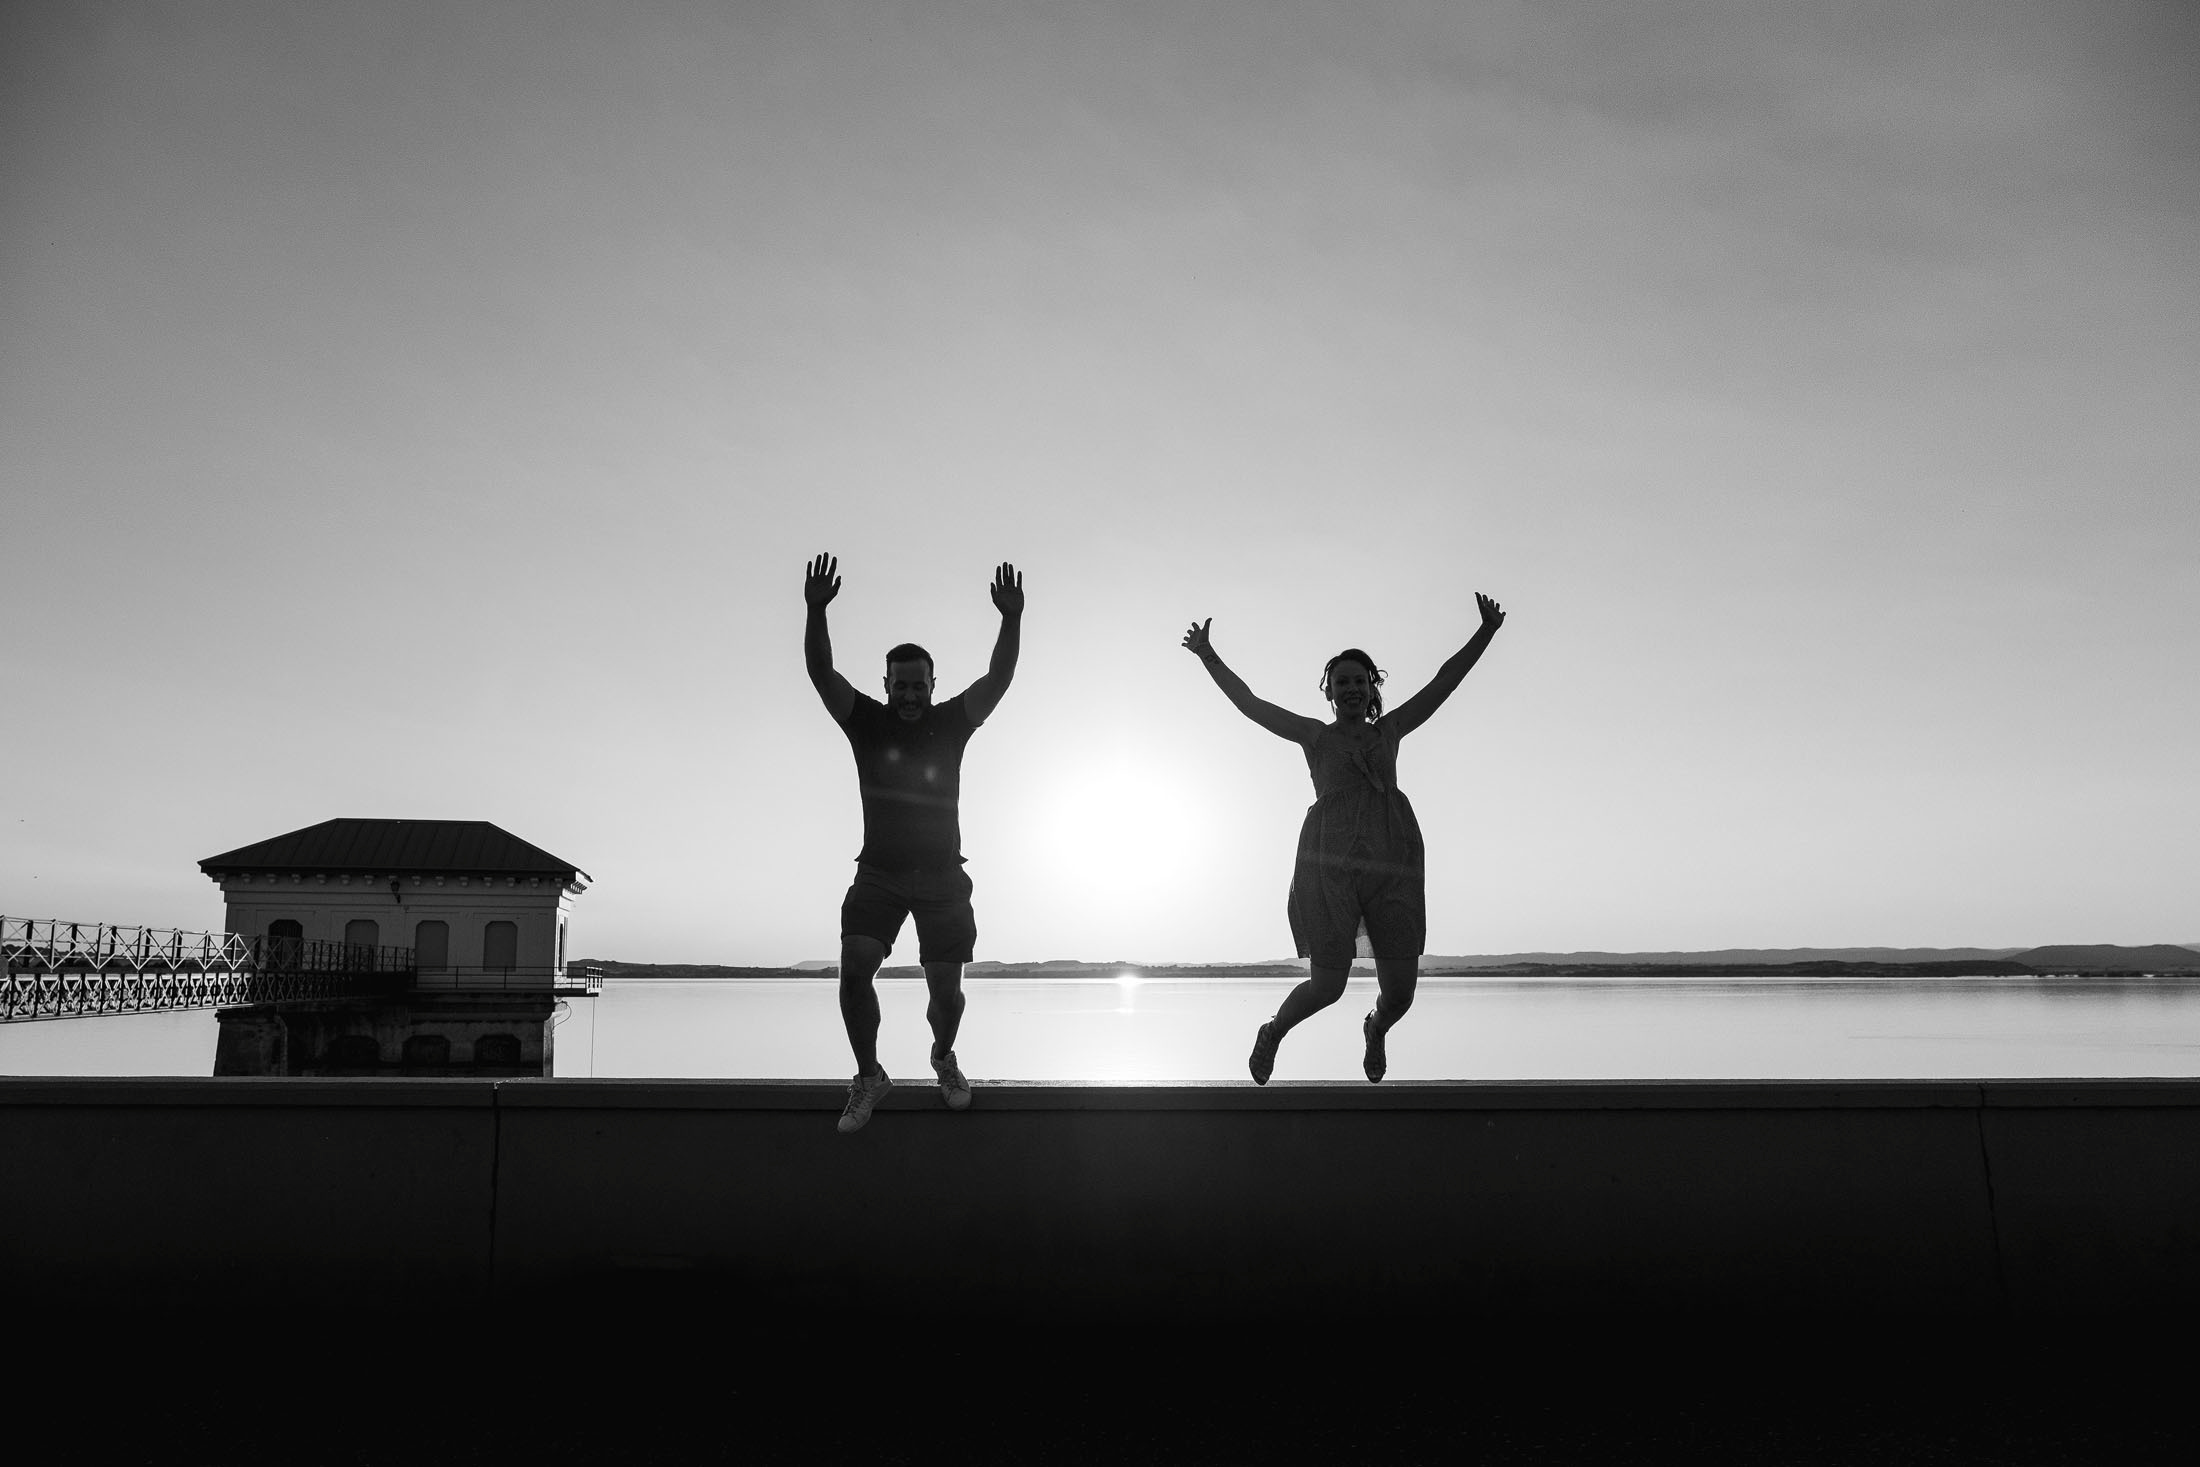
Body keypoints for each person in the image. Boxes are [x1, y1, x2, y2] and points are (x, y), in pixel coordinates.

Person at [1182, 593, 1506, 1084]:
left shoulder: (1390, 731)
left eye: (1359, 681)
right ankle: (1273, 1031)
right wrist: (1209, 655)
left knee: (1400, 994)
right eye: (1342, 683)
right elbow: (1251, 704)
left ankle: (1376, 1028)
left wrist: (1485, 631)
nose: (1352, 689)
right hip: (1329, 861)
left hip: (1392, 859)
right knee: (1328, 985)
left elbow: (1444, 681)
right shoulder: (1314, 736)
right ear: (1329, 693)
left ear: (1372, 688)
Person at [805, 551, 1023, 1133]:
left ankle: (943, 1055)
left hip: (942, 877)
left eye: (917, 685)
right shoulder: (866, 723)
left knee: (946, 995)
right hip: (878, 871)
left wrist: (1011, 619)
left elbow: (998, 679)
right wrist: (815, 612)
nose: (908, 694)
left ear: (932, 685)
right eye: (899, 685)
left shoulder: (951, 723)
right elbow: (822, 675)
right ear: (886, 685)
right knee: (855, 970)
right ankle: (869, 1076)